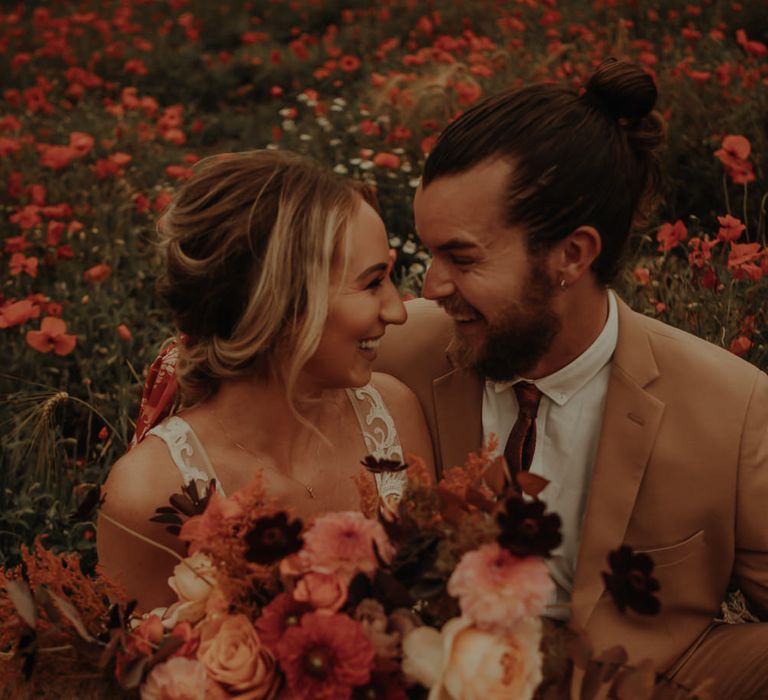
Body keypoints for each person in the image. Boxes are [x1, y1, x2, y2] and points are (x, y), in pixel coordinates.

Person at [374, 59, 768, 695]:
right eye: (429, 251)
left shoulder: (732, 405)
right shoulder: (393, 353)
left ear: (572, 255)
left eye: (463, 258)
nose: (432, 286)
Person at [97, 150, 434, 612]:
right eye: (373, 282)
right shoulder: (147, 491)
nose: (397, 310)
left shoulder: (394, 413)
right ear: (281, 305)